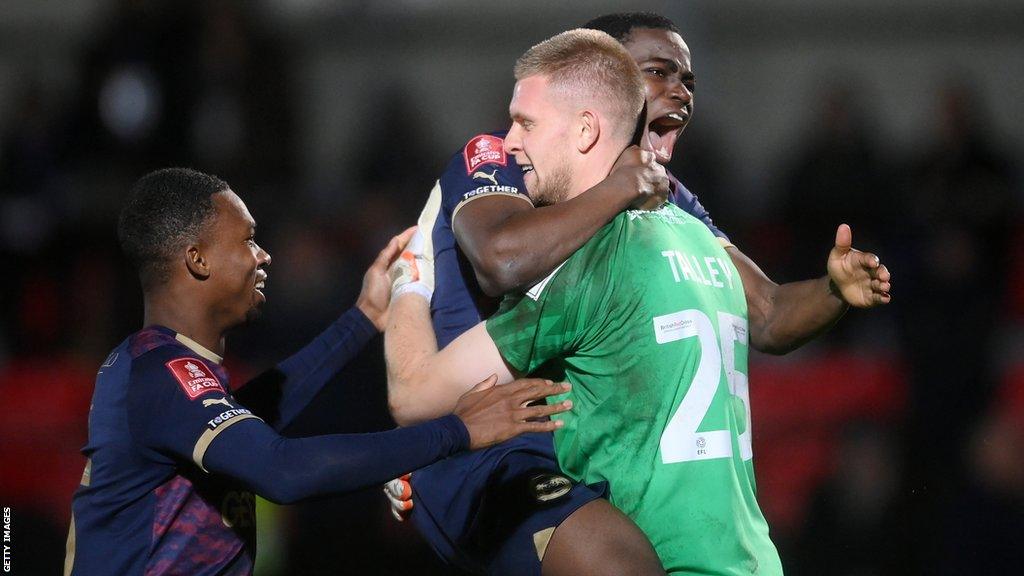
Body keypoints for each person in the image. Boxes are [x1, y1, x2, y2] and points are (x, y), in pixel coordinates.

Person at [385, 12, 891, 576]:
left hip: (570, 465)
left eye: (689, 81)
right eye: (659, 72)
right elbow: (502, 261)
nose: (680, 91)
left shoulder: (669, 209)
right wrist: (425, 452)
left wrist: (833, 291)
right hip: (485, 454)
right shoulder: (503, 158)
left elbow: (767, 315)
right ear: (604, 84)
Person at [63, 167, 572, 576]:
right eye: (247, 240)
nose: (263, 256)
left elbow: (254, 417)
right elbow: (283, 470)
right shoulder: (164, 373)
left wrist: (363, 320)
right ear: (197, 259)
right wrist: (459, 430)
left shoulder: (164, 367)